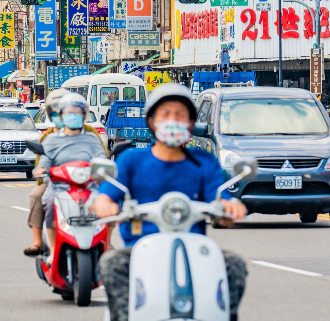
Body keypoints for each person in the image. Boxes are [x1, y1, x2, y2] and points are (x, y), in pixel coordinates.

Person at [94, 83, 248, 321]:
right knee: (112, 262)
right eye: (165, 114)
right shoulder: (131, 159)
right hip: (140, 249)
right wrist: (104, 204)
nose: (173, 120)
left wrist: (229, 208)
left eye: (180, 115)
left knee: (233, 264)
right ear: (152, 121)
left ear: (190, 123)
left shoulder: (203, 162)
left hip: (194, 247)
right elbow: (106, 195)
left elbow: (219, 199)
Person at [25, 87, 105, 256]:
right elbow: (42, 163)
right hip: (58, 183)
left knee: (111, 199)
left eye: (76, 111)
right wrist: (43, 173)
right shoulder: (49, 138)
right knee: (39, 196)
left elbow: (102, 158)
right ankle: (39, 241)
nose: (72, 115)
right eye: (67, 111)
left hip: (88, 182)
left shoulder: (90, 134)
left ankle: (107, 242)